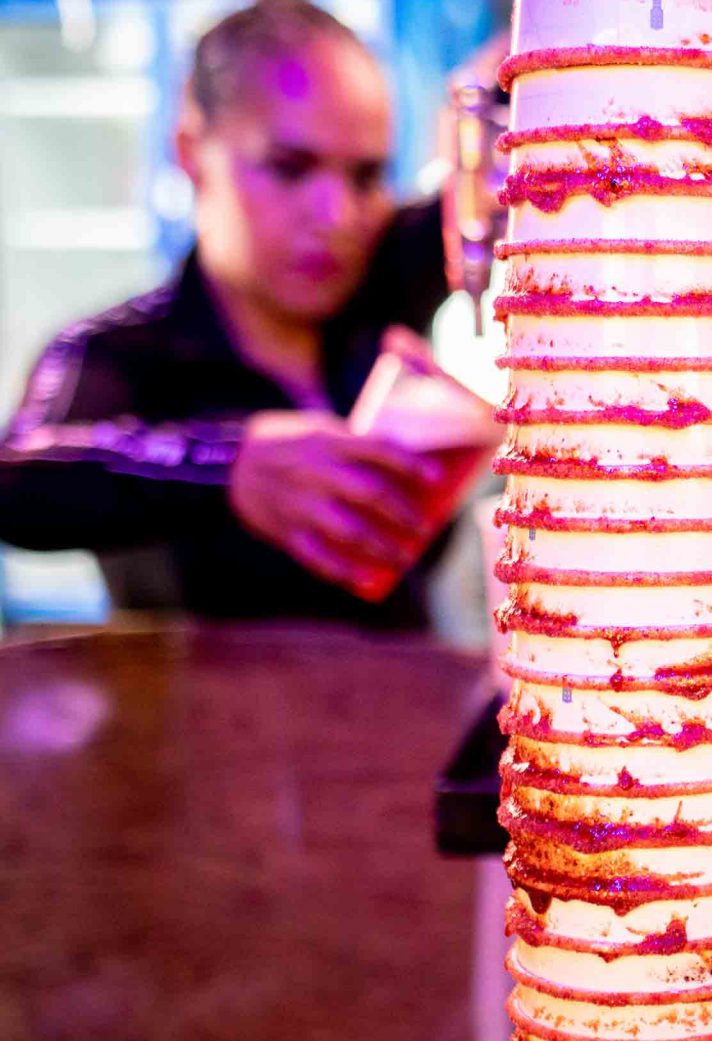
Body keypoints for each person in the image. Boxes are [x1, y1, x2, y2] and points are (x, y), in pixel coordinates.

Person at [0, 0, 456, 628]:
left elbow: (512, 168)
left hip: (408, 712)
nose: (337, 219)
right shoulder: (121, 352)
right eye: (289, 169)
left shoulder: (383, 283)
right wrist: (228, 463)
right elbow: (18, 472)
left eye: (365, 176)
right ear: (191, 154)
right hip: (198, 722)